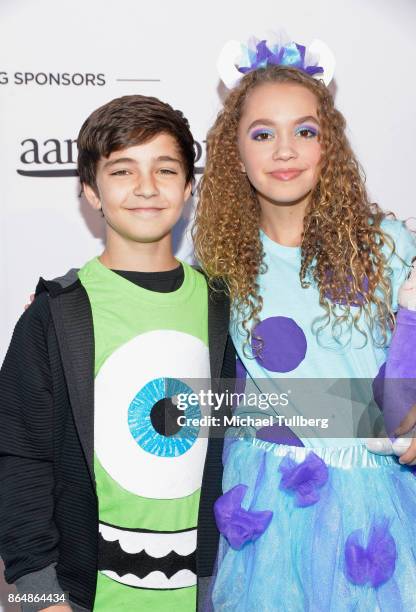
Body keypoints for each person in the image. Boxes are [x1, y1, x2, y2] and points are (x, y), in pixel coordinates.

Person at [193, 34, 416, 610]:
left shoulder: (388, 247)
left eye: (306, 131)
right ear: (235, 153)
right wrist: (67, 301)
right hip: (263, 498)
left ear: (328, 147)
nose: (285, 151)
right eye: (263, 133)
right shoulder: (220, 260)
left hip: (373, 499)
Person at [0, 95, 234, 612]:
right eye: (123, 170)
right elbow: (19, 460)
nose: (147, 187)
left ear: (189, 186)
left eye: (165, 169)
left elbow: (286, 416)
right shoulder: (54, 315)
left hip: (215, 594)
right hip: (79, 599)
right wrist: (42, 599)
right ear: (90, 190)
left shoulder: (226, 307)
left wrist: (393, 417)